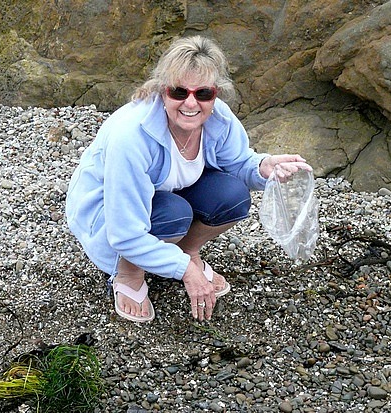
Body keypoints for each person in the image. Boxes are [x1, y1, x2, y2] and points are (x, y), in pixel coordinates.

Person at [65, 35, 311, 323]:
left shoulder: (219, 118)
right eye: (179, 92)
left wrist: (264, 167)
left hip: (168, 194)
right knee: (173, 214)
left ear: (216, 93)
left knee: (233, 196)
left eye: (203, 93)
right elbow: (125, 233)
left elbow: (239, 163)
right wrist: (186, 272)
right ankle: (129, 272)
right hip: (107, 213)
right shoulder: (130, 137)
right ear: (162, 90)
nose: (191, 103)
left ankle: (185, 249)